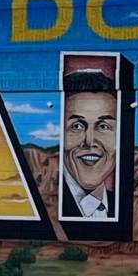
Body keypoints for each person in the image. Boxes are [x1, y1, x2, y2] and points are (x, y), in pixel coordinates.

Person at [60, 68, 119, 220]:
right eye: (77, 126)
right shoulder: (46, 205)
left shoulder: (130, 210)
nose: (90, 141)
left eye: (103, 126)